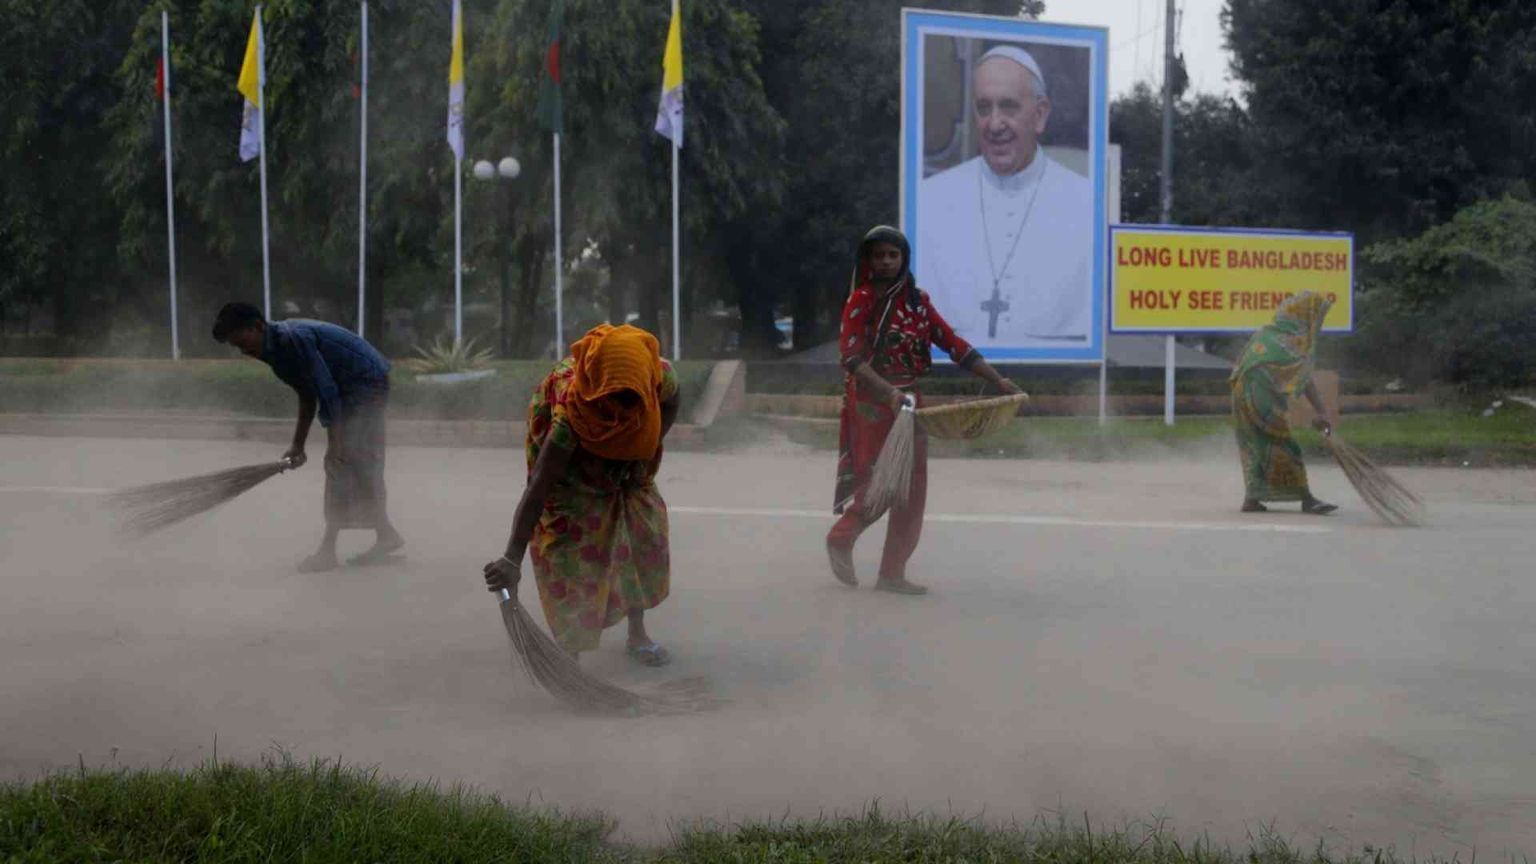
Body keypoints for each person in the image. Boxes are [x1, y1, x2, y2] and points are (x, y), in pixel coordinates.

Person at [827, 226, 1023, 595]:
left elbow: (953, 344)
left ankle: (892, 573)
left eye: (893, 255)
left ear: (904, 259)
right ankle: (841, 537)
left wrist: (999, 381)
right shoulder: (861, 300)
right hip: (872, 401)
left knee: (912, 488)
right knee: (880, 484)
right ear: (868, 261)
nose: (886, 262)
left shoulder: (918, 302)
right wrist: (887, 393)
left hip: (910, 400)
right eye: (879, 255)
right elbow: (851, 357)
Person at [482, 324, 679, 665]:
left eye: (632, 401)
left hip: (631, 463)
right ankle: (571, 651)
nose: (621, 412)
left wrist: (647, 447)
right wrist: (512, 557)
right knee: (573, 549)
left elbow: (672, 402)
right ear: (600, 390)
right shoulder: (570, 415)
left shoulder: (659, 375)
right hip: (572, 473)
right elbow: (540, 485)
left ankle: (637, 632)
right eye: (614, 400)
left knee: (641, 536)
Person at [915, 45, 1093, 347]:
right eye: (984, 108)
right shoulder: (929, 200)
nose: (994, 124)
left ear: (1040, 115)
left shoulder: (1085, 202)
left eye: (1009, 106)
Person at [212, 302, 404, 571]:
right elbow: (307, 393)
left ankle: (328, 553)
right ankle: (386, 535)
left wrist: (335, 445)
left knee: (340, 464)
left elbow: (327, 392)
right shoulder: (273, 351)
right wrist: (297, 445)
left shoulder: (293, 341)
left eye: (243, 342)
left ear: (257, 327)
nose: (244, 351)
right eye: (237, 347)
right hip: (351, 386)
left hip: (365, 383)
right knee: (356, 465)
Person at [1230, 291, 1338, 515]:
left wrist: (1318, 412)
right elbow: (1305, 380)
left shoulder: (1266, 333)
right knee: (1282, 443)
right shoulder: (1296, 341)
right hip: (1259, 394)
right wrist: (1321, 412)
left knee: (1254, 443)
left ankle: (1252, 498)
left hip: (1240, 394)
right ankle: (1307, 499)